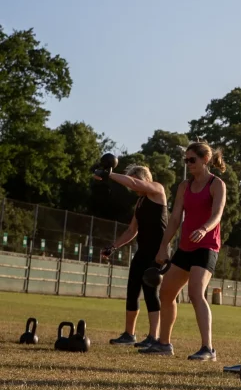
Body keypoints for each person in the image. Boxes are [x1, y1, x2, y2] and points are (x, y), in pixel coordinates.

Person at [140, 141, 227, 360]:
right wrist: (163, 247)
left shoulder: (217, 184)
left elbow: (217, 214)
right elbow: (176, 218)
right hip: (185, 248)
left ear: (205, 160)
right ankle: (164, 344)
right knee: (167, 292)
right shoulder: (184, 187)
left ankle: (208, 349)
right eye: (186, 160)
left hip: (206, 246)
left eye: (192, 159)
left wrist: (204, 228)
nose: (188, 164)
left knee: (196, 293)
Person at [96, 164, 168, 348]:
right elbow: (131, 230)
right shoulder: (140, 202)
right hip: (142, 252)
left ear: (143, 178)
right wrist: (113, 246)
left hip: (156, 253)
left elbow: (135, 184)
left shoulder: (157, 190)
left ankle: (154, 336)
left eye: (133, 181)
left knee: (151, 292)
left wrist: (110, 174)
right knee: (132, 291)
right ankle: (129, 334)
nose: (132, 188)